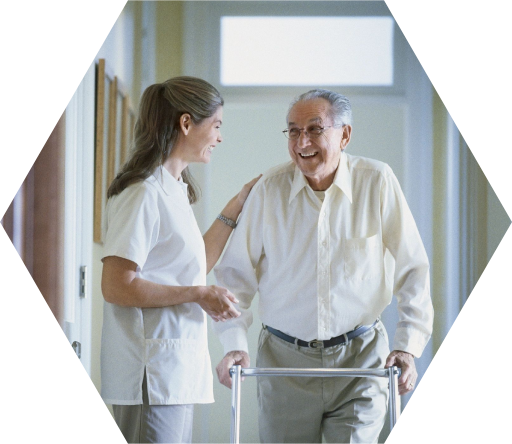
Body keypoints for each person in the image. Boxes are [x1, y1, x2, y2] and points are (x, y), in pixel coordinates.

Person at [214, 89, 434, 444]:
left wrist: (408, 345)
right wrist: (233, 342)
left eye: (315, 129)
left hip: (360, 359)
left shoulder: (377, 181)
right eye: (293, 131)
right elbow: (234, 277)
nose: (303, 141)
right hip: (283, 362)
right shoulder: (269, 190)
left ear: (344, 135)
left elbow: (413, 268)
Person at [100, 76, 260, 444]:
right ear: (186, 123)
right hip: (149, 374)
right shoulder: (142, 192)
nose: (220, 137)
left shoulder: (174, 189)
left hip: (172, 370)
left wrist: (237, 205)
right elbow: (116, 285)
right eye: (216, 125)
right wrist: (198, 294)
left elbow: (194, 263)